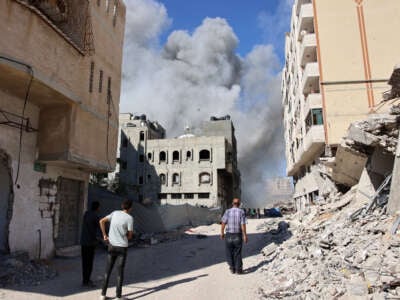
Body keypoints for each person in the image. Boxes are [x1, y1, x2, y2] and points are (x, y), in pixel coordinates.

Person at [99, 199, 134, 300]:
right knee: (119, 273)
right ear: (130, 208)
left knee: (107, 271)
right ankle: (118, 297)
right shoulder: (129, 218)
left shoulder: (114, 213)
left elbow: (101, 221)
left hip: (111, 246)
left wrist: (105, 235)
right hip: (122, 247)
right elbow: (130, 236)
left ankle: (102, 295)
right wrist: (125, 236)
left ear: (122, 206)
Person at [220, 198, 248, 274]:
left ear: (232, 203)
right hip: (237, 235)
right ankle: (238, 270)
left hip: (229, 235)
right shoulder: (241, 212)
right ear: (239, 204)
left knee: (229, 252)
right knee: (237, 253)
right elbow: (243, 224)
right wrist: (245, 235)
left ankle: (232, 268)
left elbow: (223, 222)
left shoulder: (227, 211)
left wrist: (222, 232)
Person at [80, 201, 100, 287]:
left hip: (83, 241)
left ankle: (85, 280)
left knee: (84, 262)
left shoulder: (86, 214)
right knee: (89, 262)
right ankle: (87, 280)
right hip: (90, 243)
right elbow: (99, 227)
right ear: (97, 208)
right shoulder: (95, 216)